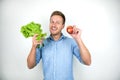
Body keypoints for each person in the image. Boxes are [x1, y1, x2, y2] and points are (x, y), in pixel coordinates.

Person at [27, 10, 91, 80]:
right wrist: (33, 46)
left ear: (63, 26)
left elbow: (87, 61)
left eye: (57, 23)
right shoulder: (42, 43)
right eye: (52, 22)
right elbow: (30, 65)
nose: (54, 25)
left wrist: (78, 39)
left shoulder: (71, 42)